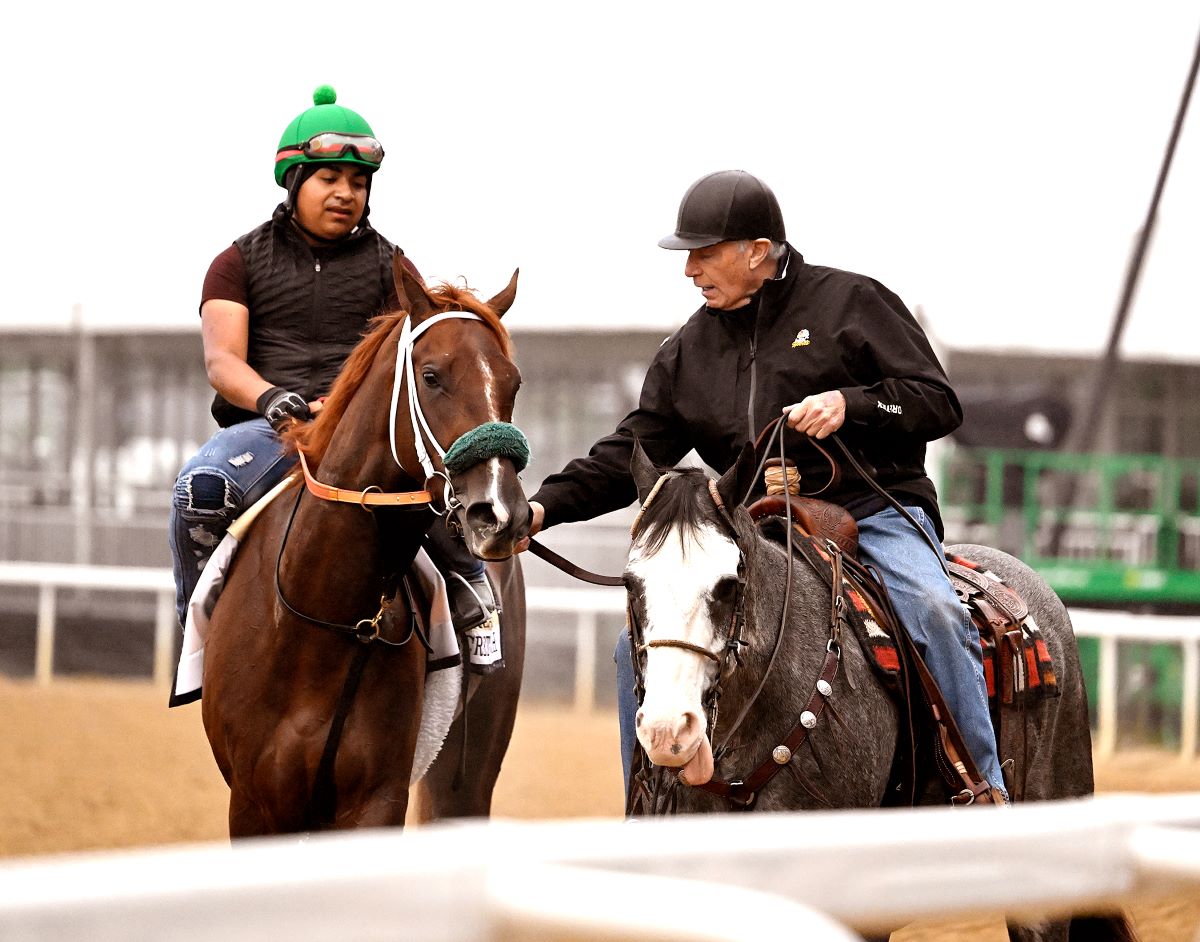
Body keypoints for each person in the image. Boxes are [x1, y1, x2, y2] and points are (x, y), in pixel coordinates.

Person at [523, 169, 1007, 804]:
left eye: (703, 252)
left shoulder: (854, 303)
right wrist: (540, 509)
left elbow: (939, 403)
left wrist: (851, 404)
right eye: (686, 254)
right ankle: (645, 808)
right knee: (627, 652)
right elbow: (629, 453)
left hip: (875, 511)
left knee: (934, 610)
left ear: (758, 251)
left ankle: (982, 789)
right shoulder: (688, 350)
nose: (690, 269)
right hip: (756, 527)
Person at [168, 85, 497, 638]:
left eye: (359, 182)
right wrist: (273, 399)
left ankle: (473, 592)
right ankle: (198, 629)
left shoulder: (393, 267)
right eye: (329, 178)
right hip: (266, 431)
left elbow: (419, 358)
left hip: (362, 435)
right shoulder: (235, 261)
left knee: (445, 488)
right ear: (294, 181)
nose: (346, 192)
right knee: (198, 488)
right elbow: (223, 362)